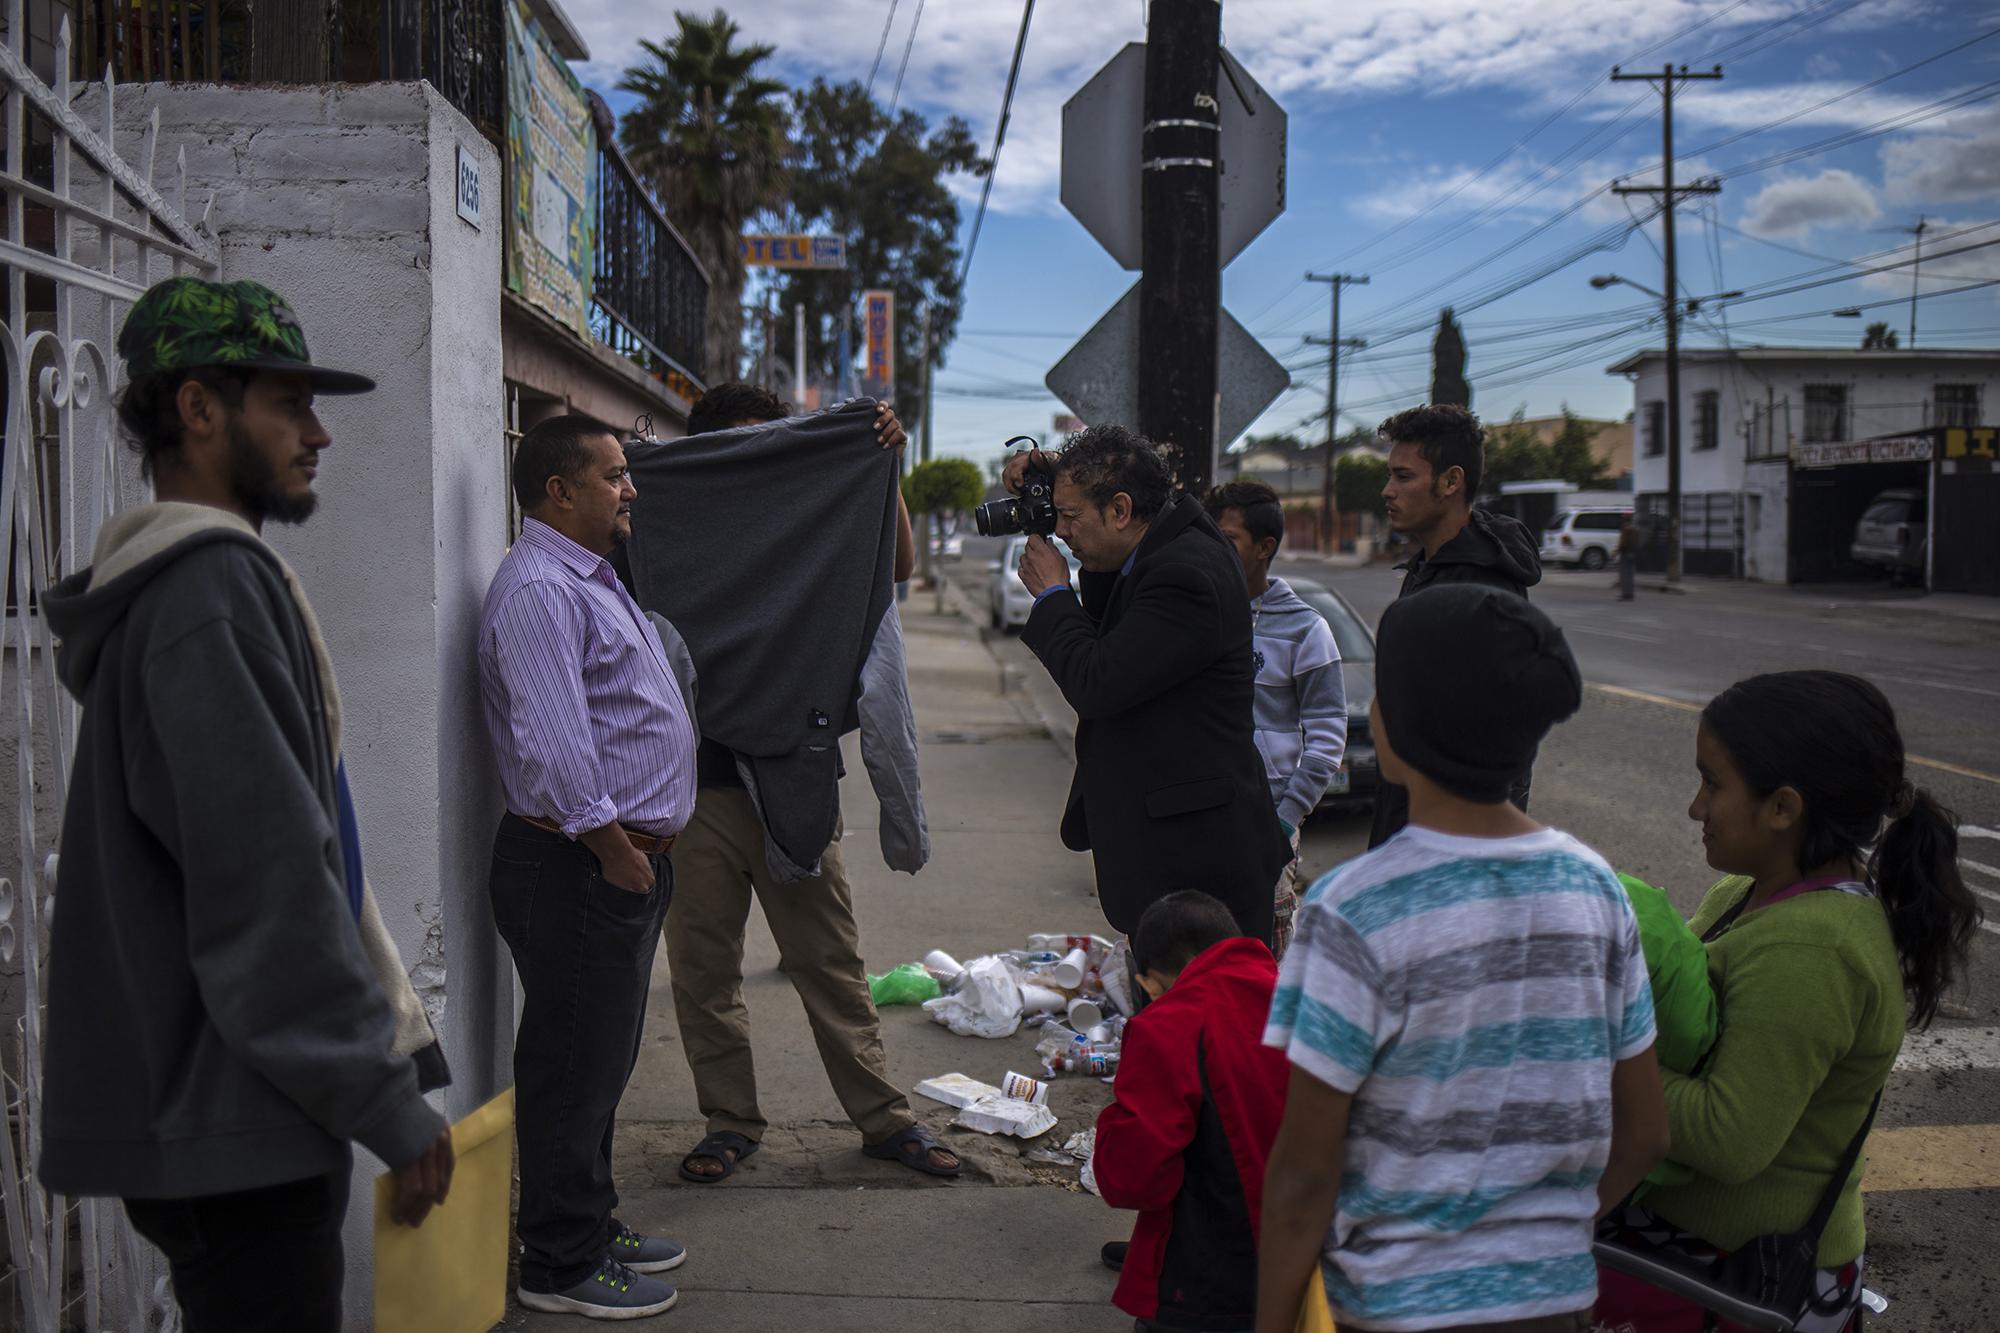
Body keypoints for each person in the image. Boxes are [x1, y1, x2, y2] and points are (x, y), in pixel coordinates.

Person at [39, 276, 454, 1332]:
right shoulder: (203, 594)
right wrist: (384, 1104)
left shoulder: (194, 584)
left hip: (232, 1107)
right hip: (234, 1118)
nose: (319, 433)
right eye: (288, 402)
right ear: (197, 408)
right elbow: (266, 885)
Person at [1257, 583, 1670, 1333]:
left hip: (1395, 1308)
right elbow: (1644, 1133)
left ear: (1390, 724)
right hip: (1557, 1304)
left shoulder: (1354, 908)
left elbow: (1303, 1174)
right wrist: (1539, 1237)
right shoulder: (1595, 887)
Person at [632, 383, 958, 1184]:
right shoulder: (663, 509)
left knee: (830, 961)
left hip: (795, 775)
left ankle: (885, 1120)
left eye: (776, 445)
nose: (768, 465)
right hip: (692, 788)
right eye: (749, 448)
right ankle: (730, 1122)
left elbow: (899, 567)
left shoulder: (812, 512)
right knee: (703, 970)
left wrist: (884, 470)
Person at [1594, 671, 1983, 1333]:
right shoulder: (1750, 894)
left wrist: (1591, 1060)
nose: (1695, 807)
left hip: (1739, 1276)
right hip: (1684, 1247)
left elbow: (1727, 1135)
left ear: (1782, 808)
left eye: (1712, 784)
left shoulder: (1816, 949)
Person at [478, 414, 698, 1317]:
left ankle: (590, 1219)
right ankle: (559, 1262)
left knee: (599, 1060)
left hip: (615, 861)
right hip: (580, 863)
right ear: (558, 490)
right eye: (613, 475)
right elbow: (557, 740)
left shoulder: (587, 574)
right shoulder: (540, 589)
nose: (630, 488)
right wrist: (615, 851)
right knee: (572, 1060)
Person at [1006, 427, 1292, 943]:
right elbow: (1140, 478)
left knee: (1201, 1017)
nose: (1062, 532)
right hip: (1180, 858)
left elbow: (1098, 680)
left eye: (1070, 517)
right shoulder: (1162, 535)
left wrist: (1052, 595)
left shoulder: (1185, 575)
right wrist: (1054, 468)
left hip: (1199, 870)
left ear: (1119, 510)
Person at [1093, 890, 1289, 1333]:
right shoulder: (1307, 1003)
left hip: (1210, 1279)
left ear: (1156, 978)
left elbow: (1130, 1179)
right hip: (1312, 1261)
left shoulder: (1168, 1027)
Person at [1368, 403, 1542, 849]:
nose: (1388, 490)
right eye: (1390, 475)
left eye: (1403, 477)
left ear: (1451, 481)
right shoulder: (1432, 566)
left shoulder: (1478, 589)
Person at [1203, 480, 1346, 959]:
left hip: (1267, 818)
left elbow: (1327, 741)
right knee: (1198, 948)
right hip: (1200, 812)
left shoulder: (1307, 629)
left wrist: (1284, 821)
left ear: (1265, 548)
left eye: (1228, 539)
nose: (1214, 549)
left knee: (1265, 953)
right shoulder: (1196, 614)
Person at [1617, 515, 1638, 601]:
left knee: (1624, 575)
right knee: (1630, 575)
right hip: (1632, 553)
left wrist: (1617, 551)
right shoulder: (1634, 529)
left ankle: (1625, 594)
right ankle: (1630, 594)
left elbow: (1623, 543)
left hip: (1625, 553)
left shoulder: (1625, 529)